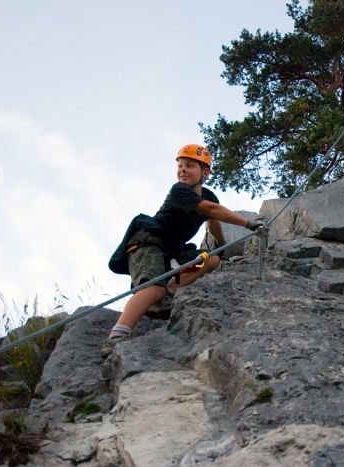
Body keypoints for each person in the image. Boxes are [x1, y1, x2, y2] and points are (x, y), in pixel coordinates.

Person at [101, 144, 265, 358]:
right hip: (148, 242)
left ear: (205, 173)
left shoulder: (208, 195)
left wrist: (222, 247)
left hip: (172, 251)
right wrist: (249, 224)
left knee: (211, 260)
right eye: (180, 166)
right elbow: (211, 211)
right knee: (153, 288)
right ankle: (116, 337)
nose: (182, 170)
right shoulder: (179, 191)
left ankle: (168, 294)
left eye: (189, 166)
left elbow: (212, 221)